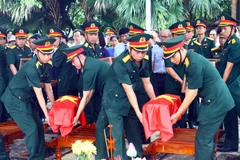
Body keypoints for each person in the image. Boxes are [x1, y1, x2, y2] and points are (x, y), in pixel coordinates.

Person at [157, 35, 234, 160]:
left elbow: (192, 93)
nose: (171, 61)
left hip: (216, 102)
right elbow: (188, 88)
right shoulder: (189, 60)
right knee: (206, 138)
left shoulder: (193, 64)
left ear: (181, 50)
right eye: (168, 58)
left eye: (172, 57)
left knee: (202, 140)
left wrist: (178, 114)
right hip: (214, 101)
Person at [96, 33, 156, 159]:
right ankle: (119, 157)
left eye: (143, 51)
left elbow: (147, 83)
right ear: (130, 49)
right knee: (117, 134)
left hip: (129, 101)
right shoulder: (121, 63)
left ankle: (137, 157)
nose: (140, 55)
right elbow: (128, 90)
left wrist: (155, 101)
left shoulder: (145, 59)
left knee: (134, 130)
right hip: (114, 101)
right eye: (137, 51)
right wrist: (139, 113)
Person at [1, 38, 56, 160]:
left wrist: (55, 107)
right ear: (37, 52)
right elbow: (39, 93)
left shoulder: (48, 65)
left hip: (26, 98)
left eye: (50, 53)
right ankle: (34, 158)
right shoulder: (31, 68)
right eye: (44, 53)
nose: (48, 56)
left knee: (39, 127)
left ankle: (40, 157)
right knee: (31, 128)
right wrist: (47, 115)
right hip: (14, 100)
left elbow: (48, 88)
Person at [61, 45, 110, 125]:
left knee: (103, 125)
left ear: (80, 56)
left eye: (73, 61)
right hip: (107, 93)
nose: (73, 64)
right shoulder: (88, 63)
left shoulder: (89, 68)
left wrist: (77, 116)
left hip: (113, 94)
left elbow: (86, 95)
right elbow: (90, 92)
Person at [216, 13, 240, 152]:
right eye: (222, 28)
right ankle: (230, 143)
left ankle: (231, 144)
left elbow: (229, 67)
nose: (222, 31)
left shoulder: (235, 44)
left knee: (231, 113)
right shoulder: (228, 43)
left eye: (225, 28)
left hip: (231, 86)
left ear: (233, 28)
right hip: (229, 85)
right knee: (228, 114)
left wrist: (222, 85)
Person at [47, 27, 78, 98]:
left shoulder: (61, 50)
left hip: (65, 83)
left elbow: (50, 64)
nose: (53, 41)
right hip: (70, 82)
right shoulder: (63, 48)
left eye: (55, 39)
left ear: (61, 38)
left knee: (64, 105)